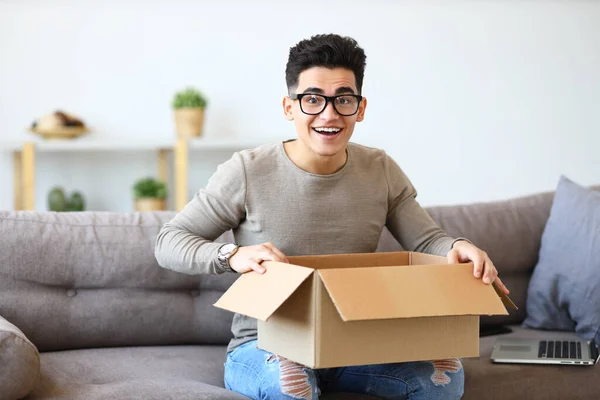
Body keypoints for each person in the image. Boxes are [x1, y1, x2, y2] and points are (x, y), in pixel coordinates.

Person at [155, 33, 510, 400]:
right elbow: (169, 241)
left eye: (343, 99)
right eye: (312, 99)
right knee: (291, 386)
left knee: (445, 378)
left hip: (354, 342)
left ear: (360, 107)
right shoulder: (247, 171)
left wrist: (459, 246)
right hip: (267, 346)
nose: (329, 114)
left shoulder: (380, 169)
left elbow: (426, 241)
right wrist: (232, 255)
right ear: (289, 107)